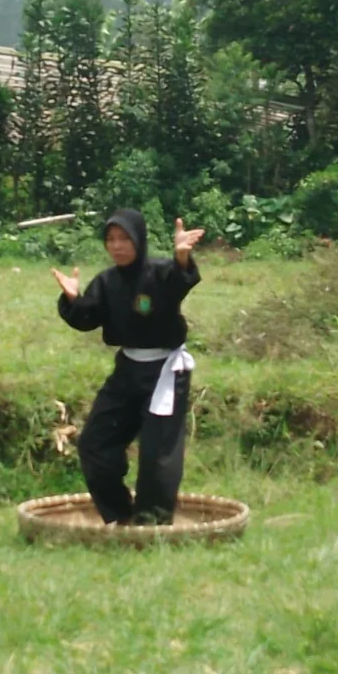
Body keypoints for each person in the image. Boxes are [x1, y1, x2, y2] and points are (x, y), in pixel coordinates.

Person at [53, 209, 206, 525]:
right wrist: (72, 298)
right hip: (127, 371)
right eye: (110, 239)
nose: (117, 246)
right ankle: (119, 516)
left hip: (165, 370)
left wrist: (181, 257)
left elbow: (179, 283)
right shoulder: (106, 281)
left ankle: (152, 523)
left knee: (157, 455)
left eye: (124, 238)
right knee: (95, 443)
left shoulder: (160, 271)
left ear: (139, 240)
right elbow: (87, 318)